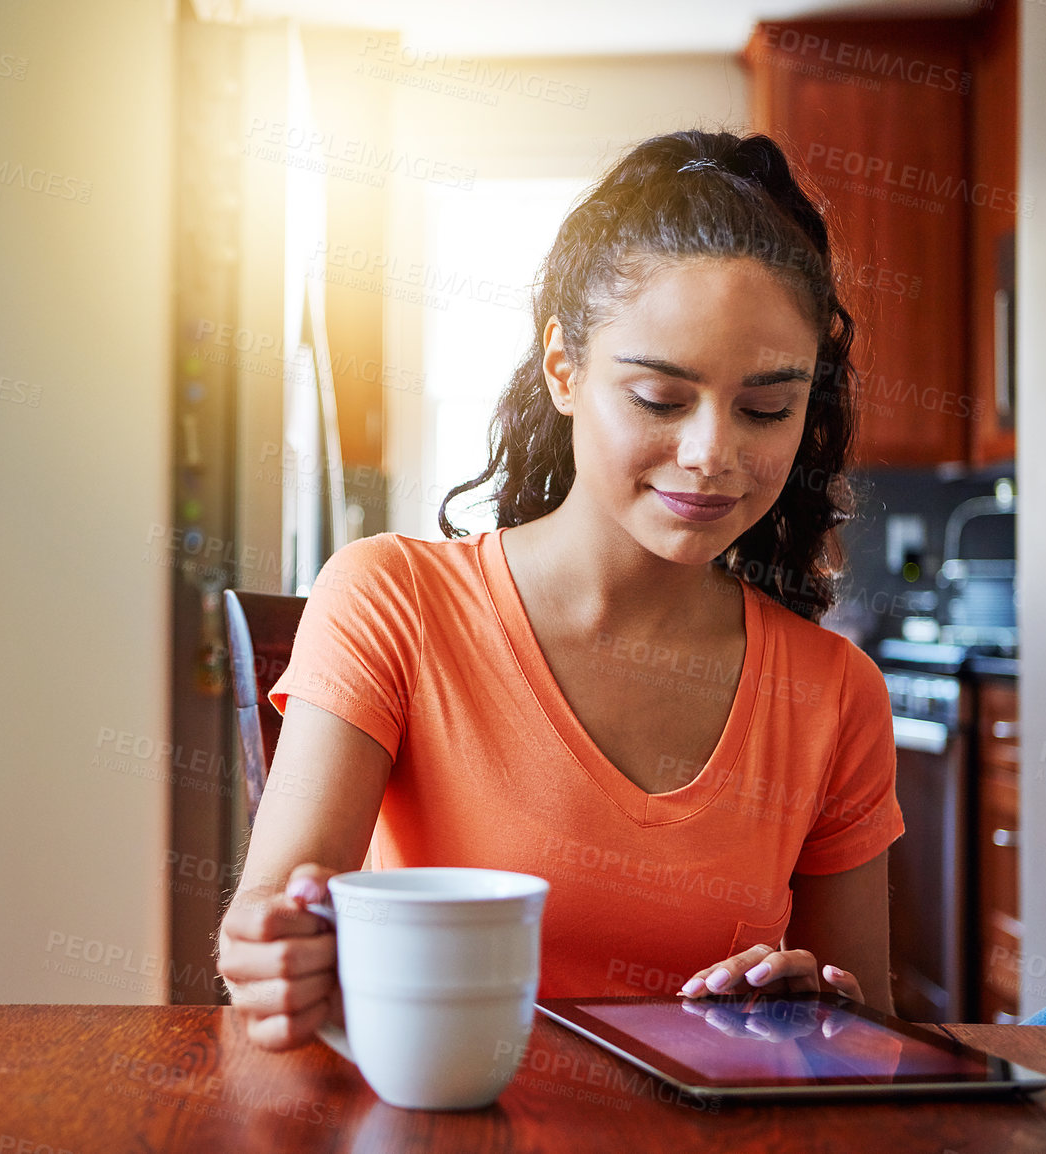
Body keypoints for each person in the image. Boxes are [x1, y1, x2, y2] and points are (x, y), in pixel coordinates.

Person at [216, 129, 907, 1050]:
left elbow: (868, 1040)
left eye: (766, 408)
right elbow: (273, 923)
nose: (713, 454)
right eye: (661, 399)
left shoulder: (833, 695)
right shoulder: (393, 600)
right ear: (564, 370)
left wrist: (814, 1015)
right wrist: (275, 955)